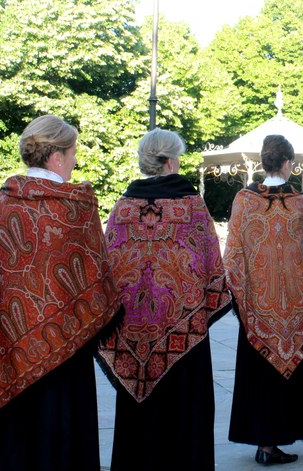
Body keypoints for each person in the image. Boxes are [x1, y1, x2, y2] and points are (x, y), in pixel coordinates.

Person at [0, 115, 120, 470]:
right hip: (68, 351)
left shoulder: (4, 204)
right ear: (56, 156)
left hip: (10, 352)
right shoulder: (78, 206)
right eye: (73, 151)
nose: (76, 160)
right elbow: (99, 274)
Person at [97, 129, 231, 470]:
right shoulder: (192, 207)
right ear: (171, 160)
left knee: (137, 421)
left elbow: (108, 269)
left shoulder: (122, 209)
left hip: (133, 333)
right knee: (184, 418)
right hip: (184, 337)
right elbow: (214, 272)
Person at [224, 135, 303, 465]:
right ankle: (275, 441)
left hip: (258, 308)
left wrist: (245, 300)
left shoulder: (243, 201)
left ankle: (263, 444)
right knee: (286, 375)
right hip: (294, 311)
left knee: (260, 374)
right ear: (287, 163)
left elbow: (234, 255)